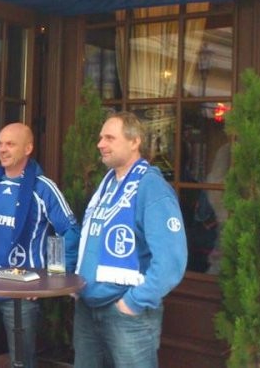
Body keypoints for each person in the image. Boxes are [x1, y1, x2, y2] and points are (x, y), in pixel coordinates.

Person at [0, 122, 80, 368]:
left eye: (10, 144)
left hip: (23, 291)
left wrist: (51, 276)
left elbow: (70, 231)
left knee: (22, 362)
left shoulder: (43, 187)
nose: (2, 149)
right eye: (0, 144)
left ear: (28, 148)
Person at [73, 111, 187, 368]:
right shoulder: (108, 185)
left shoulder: (151, 187)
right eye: (101, 138)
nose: (100, 144)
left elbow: (171, 262)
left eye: (109, 138)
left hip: (126, 315)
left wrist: (133, 303)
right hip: (88, 309)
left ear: (135, 141)